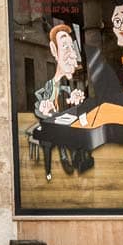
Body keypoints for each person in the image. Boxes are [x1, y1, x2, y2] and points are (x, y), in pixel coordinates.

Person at [34, 24, 94, 176]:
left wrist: (77, 101)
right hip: (54, 124)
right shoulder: (49, 86)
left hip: (67, 123)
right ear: (54, 50)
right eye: (65, 47)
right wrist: (44, 108)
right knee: (60, 129)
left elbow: (76, 106)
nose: (72, 54)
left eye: (72, 47)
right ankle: (64, 156)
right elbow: (41, 107)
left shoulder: (69, 86)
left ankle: (77, 156)